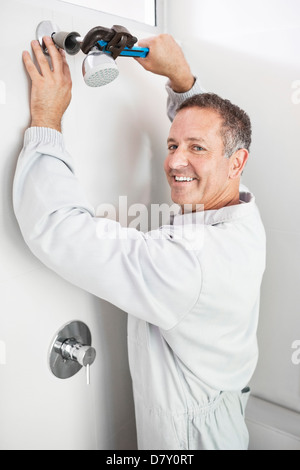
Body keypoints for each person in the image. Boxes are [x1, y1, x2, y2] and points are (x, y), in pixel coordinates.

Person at [14, 34, 266, 450]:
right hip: (224, 413)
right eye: (172, 144)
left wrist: (46, 117)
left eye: (194, 148)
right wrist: (181, 80)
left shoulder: (186, 265)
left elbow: (56, 227)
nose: (174, 161)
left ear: (236, 162)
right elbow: (215, 142)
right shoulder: (240, 211)